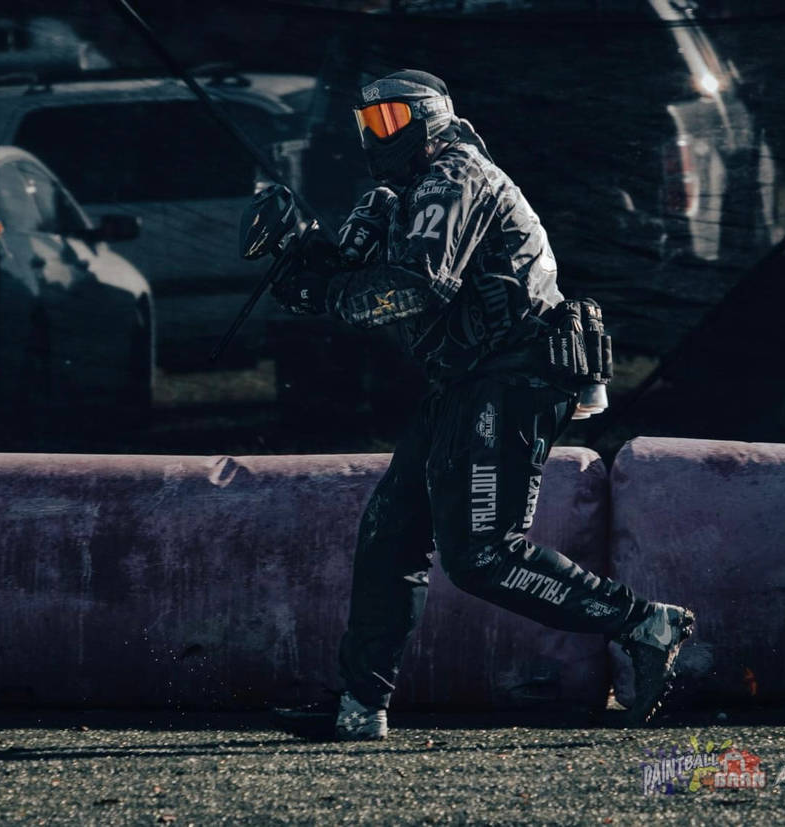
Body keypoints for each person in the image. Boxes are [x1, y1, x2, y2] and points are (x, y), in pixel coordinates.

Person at [270, 69, 694, 739]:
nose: (376, 135)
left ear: (429, 120)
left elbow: (415, 286)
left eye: (390, 120)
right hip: (467, 380)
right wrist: (306, 260)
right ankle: (359, 705)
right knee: (388, 537)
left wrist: (325, 291)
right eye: (367, 123)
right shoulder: (400, 195)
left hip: (514, 376)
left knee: (483, 556)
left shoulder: (454, 174)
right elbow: (363, 282)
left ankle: (645, 622)